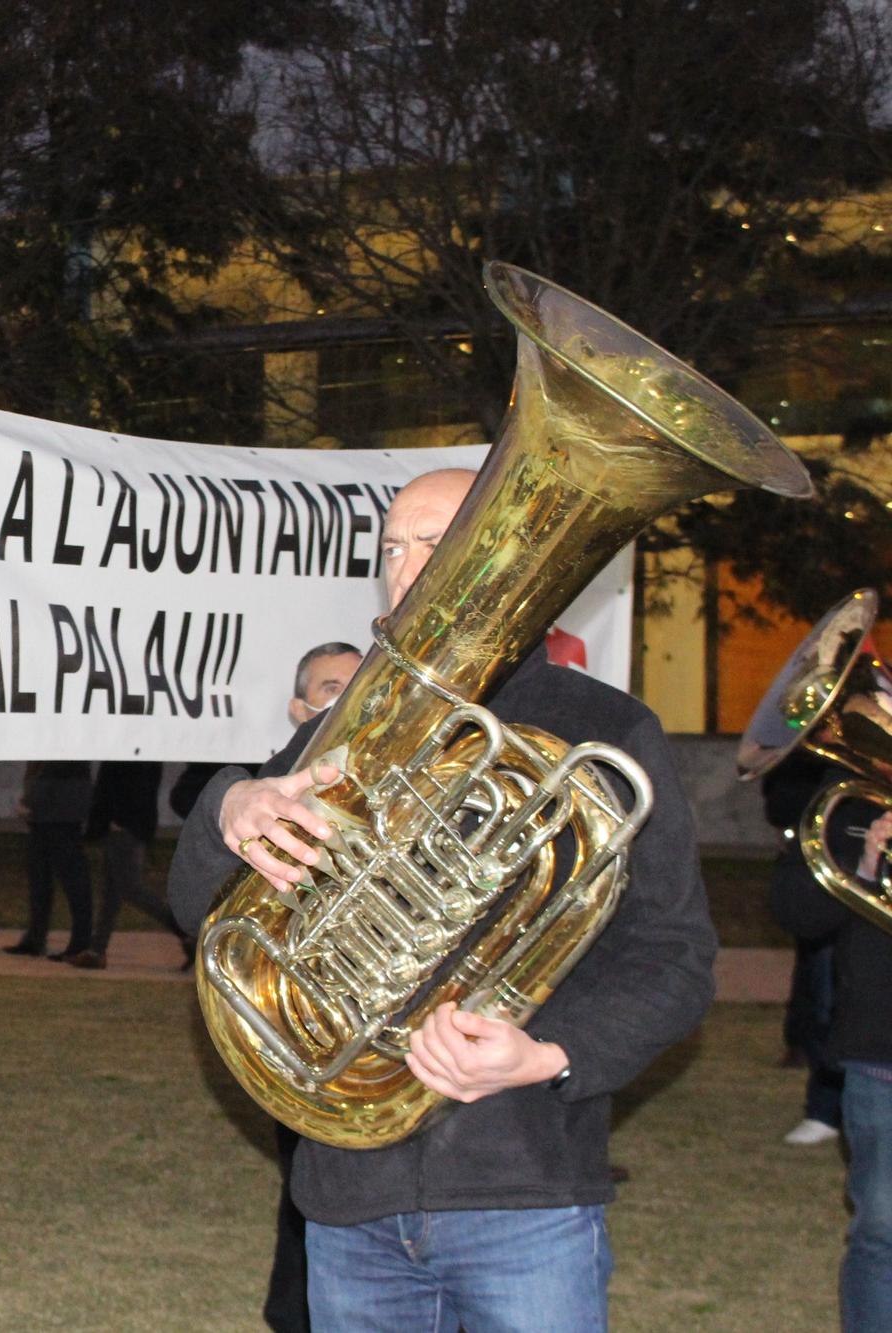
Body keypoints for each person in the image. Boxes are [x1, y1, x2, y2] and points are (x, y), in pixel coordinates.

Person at [170, 468, 715, 1331]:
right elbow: (206, 907)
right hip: (350, 1194)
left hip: (521, 1184)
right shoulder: (344, 726)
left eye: (435, 542)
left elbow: (674, 956)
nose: (406, 565)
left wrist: (551, 1054)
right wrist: (229, 807)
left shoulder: (604, 729)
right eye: (392, 546)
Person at [170, 638, 362, 1333]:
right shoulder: (275, 781)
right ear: (298, 707)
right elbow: (203, 904)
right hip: (310, 1029)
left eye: (355, 685)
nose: (343, 699)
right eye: (328, 688)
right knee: (309, 1185)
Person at [772, 796, 892, 1329]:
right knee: (883, 1231)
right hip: (882, 1052)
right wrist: (866, 864)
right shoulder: (847, 803)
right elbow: (799, 914)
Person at [765, 749, 847, 1145]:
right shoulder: (824, 769)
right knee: (824, 998)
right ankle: (825, 1107)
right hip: (836, 883)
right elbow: (780, 800)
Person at [72, 760, 187, 970]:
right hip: (127, 825)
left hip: (124, 827)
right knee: (111, 892)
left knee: (130, 888)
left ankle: (184, 931)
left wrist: (116, 819)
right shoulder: (141, 750)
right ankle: (97, 950)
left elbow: (122, 785)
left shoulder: (130, 752)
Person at [4, 760, 95, 961]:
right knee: (42, 881)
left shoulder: (64, 750)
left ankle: (79, 942)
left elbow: (51, 774)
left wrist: (29, 802)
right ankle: (36, 938)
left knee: (73, 884)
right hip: (51, 818)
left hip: (60, 818)